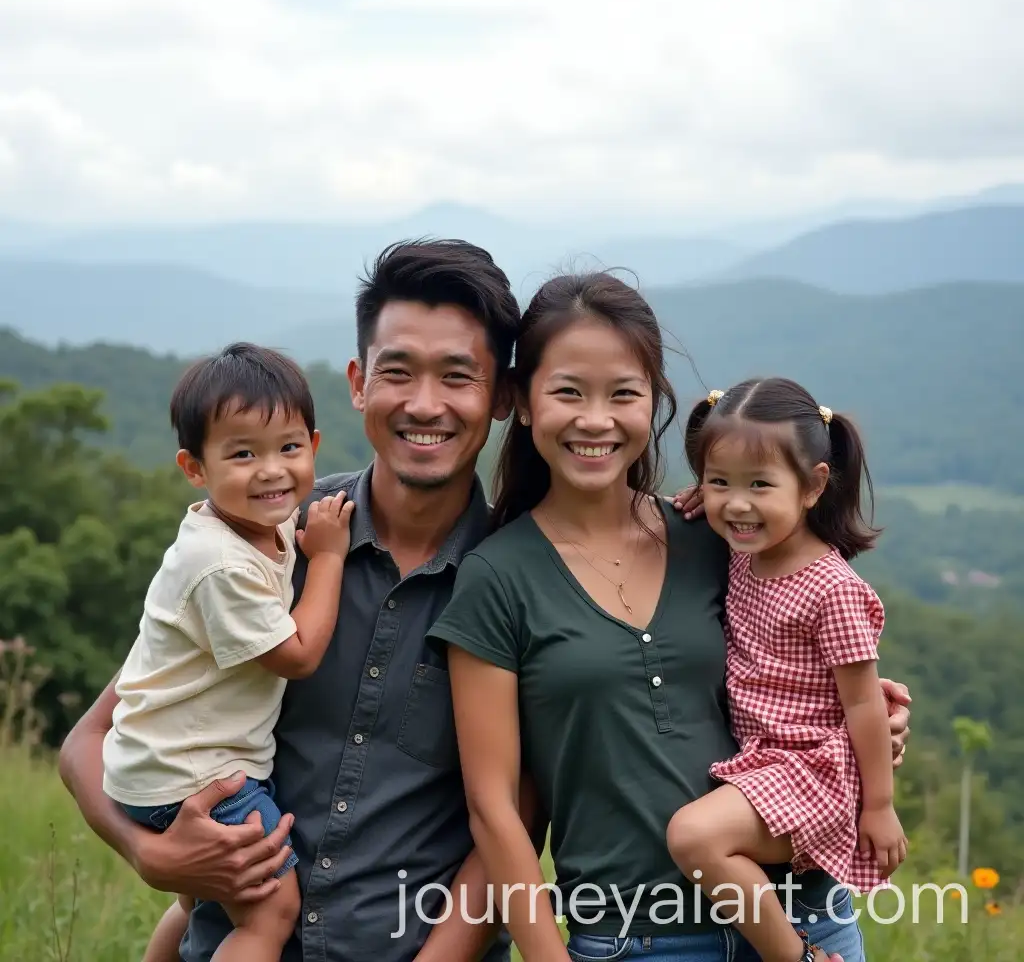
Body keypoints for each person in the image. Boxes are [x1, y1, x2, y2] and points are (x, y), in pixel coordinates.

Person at [59, 239, 538, 962]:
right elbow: (90, 739)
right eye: (398, 372)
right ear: (357, 381)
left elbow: (516, 816)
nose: (424, 404)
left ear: (501, 396)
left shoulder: (522, 579)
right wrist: (147, 854)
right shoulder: (262, 539)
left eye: (457, 377)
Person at [424, 271, 912, 962]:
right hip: (637, 939)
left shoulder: (718, 537)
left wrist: (876, 723)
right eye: (568, 391)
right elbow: (496, 810)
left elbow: (814, 657)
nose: (596, 419)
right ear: (522, 402)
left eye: (624, 393)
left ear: (654, 402)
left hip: (802, 915)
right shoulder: (497, 577)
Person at [101, 342, 355, 961]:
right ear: (195, 467)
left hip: (161, 763)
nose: (270, 470)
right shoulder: (218, 562)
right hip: (194, 774)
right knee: (271, 911)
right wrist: (329, 558)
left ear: (314, 448)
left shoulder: (254, 527)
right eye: (242, 454)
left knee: (199, 903)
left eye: (288, 448)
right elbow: (296, 655)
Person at [663, 379, 906, 962]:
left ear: (813, 485)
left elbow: (863, 704)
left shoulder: (830, 587)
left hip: (812, 772)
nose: (737, 504)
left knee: (694, 837)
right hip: (766, 765)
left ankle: (793, 956)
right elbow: (730, 504)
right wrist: (707, 496)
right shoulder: (746, 551)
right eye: (720, 481)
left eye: (760, 485)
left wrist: (878, 805)